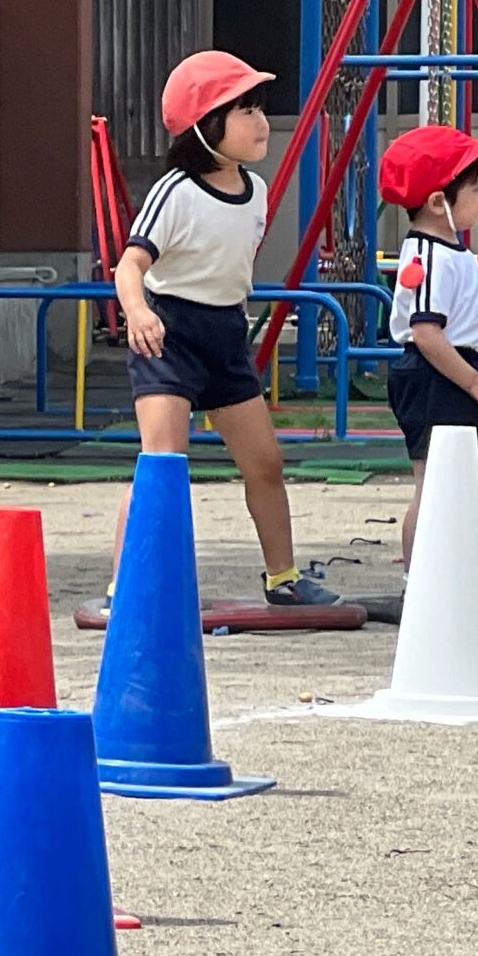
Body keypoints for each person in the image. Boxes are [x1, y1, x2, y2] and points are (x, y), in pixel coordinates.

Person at [110, 50, 342, 607]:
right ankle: (128, 589)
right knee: (162, 463)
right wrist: (138, 313)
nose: (262, 122)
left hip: (226, 336)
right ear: (205, 125)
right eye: (247, 111)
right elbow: (129, 265)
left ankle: (283, 579)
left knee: (266, 462)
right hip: (168, 336)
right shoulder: (175, 191)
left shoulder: (255, 191)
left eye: (260, 109)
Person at [379, 124, 478, 566]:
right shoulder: (428, 257)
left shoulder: (450, 250)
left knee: (476, 483)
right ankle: (422, 580)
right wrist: (473, 381)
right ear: (438, 203)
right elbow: (426, 332)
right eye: (475, 189)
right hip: (436, 374)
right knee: (436, 484)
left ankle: (461, 575)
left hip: (455, 368)